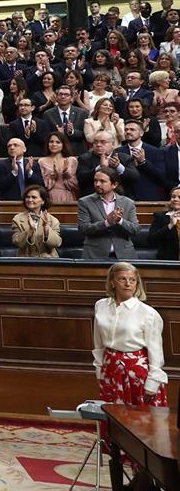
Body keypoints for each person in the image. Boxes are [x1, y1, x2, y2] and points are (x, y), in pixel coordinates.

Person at [93, 263, 168, 418]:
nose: (128, 284)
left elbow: (156, 350)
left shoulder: (148, 313)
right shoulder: (101, 306)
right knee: (113, 416)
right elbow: (98, 341)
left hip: (138, 374)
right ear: (112, 282)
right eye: (122, 279)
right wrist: (99, 369)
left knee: (142, 420)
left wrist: (153, 383)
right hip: (110, 368)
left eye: (132, 280)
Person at [77, 167, 139, 260]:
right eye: (95, 181)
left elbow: (135, 230)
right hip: (95, 256)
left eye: (102, 181)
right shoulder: (85, 202)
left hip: (124, 257)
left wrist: (120, 221)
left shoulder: (128, 203)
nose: (97, 184)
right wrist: (107, 223)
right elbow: (83, 228)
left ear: (114, 184)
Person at [11, 185, 61, 258]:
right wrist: (30, 231)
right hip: (25, 260)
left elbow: (56, 243)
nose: (30, 200)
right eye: (27, 197)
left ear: (43, 201)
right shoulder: (18, 219)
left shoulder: (53, 220)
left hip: (48, 260)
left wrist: (47, 230)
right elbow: (18, 242)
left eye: (34, 197)